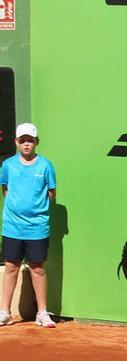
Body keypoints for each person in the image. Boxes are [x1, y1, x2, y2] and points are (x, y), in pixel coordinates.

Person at [0, 123, 57, 328]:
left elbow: (51, 193)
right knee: (11, 267)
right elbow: (5, 189)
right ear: (16, 142)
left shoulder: (45, 166)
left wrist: (36, 211)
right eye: (22, 140)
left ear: (36, 142)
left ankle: (42, 313)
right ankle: (5, 312)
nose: (26, 144)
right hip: (12, 227)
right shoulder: (7, 165)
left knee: (37, 268)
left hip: (37, 227)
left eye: (30, 140)